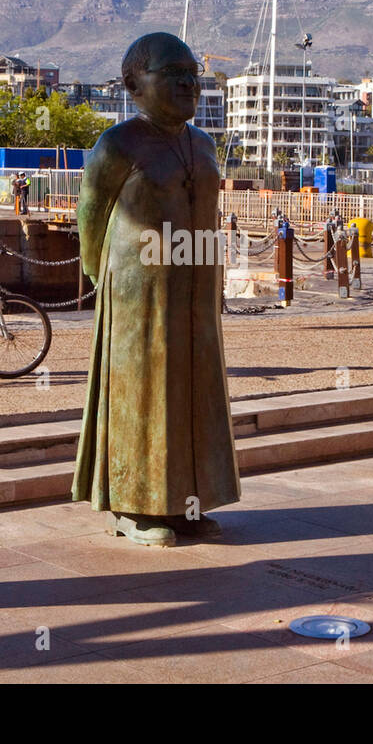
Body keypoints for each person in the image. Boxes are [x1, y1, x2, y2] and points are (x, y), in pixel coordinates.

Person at [72, 32, 240, 547]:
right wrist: (110, 283)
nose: (191, 82)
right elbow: (91, 220)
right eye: (175, 73)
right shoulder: (117, 144)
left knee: (194, 393)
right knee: (143, 395)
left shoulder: (205, 144)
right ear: (133, 85)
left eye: (194, 73)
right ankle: (134, 504)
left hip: (197, 291)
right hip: (139, 295)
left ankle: (187, 501)